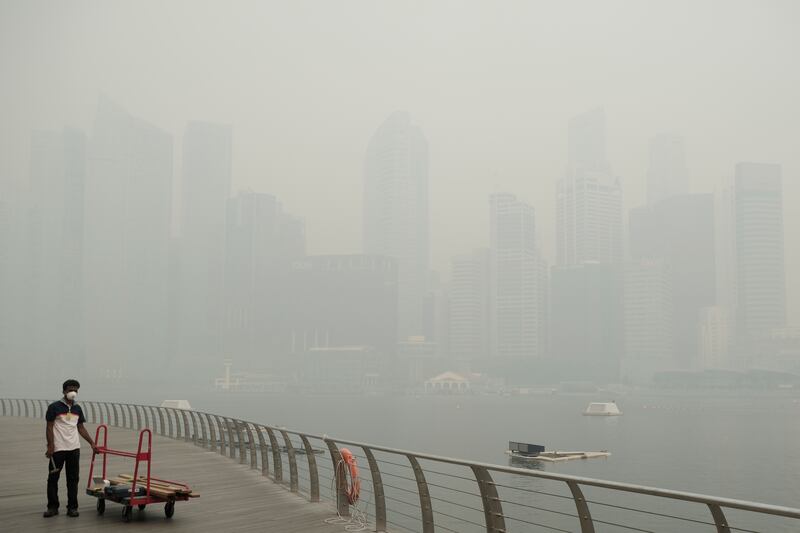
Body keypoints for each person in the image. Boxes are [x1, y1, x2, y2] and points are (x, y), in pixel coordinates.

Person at [44, 379, 99, 518]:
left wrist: (92, 443)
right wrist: (50, 446)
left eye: (75, 389)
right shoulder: (54, 407)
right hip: (58, 449)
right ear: (63, 391)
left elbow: (80, 428)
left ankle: (72, 508)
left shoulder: (77, 408)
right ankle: (52, 507)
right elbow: (49, 427)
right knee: (53, 479)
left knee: (73, 479)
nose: (72, 392)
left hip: (74, 449)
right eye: (70, 389)